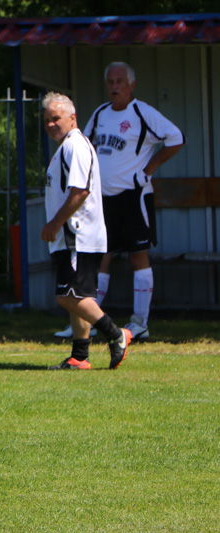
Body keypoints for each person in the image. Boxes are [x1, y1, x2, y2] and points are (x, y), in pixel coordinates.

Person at [54, 62, 185, 340]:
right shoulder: (100, 114)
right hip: (103, 201)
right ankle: (87, 324)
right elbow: (83, 142)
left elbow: (176, 138)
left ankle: (140, 323)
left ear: (131, 85)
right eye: (110, 82)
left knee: (138, 256)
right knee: (101, 259)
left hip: (134, 197)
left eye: (120, 81)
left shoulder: (143, 113)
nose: (114, 87)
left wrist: (149, 169)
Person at [40, 92, 132, 370]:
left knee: (67, 296)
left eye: (56, 118)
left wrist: (55, 223)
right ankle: (80, 356)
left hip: (76, 234)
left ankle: (116, 334)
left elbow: (80, 191)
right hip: (74, 235)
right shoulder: (66, 146)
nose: (51, 124)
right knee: (80, 297)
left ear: (72, 117)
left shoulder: (75, 146)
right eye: (47, 120)